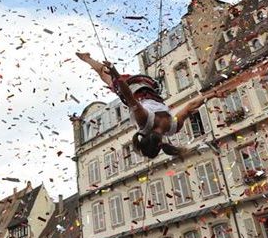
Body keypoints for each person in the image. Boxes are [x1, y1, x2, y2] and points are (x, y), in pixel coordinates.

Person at [76, 53, 218, 161]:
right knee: (103, 73)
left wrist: (115, 74)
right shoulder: (164, 125)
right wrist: (213, 94)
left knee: (103, 74)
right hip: (140, 85)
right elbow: (190, 107)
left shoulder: (156, 124)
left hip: (137, 86)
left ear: (160, 143)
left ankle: (87, 59)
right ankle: (87, 58)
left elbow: (129, 95)